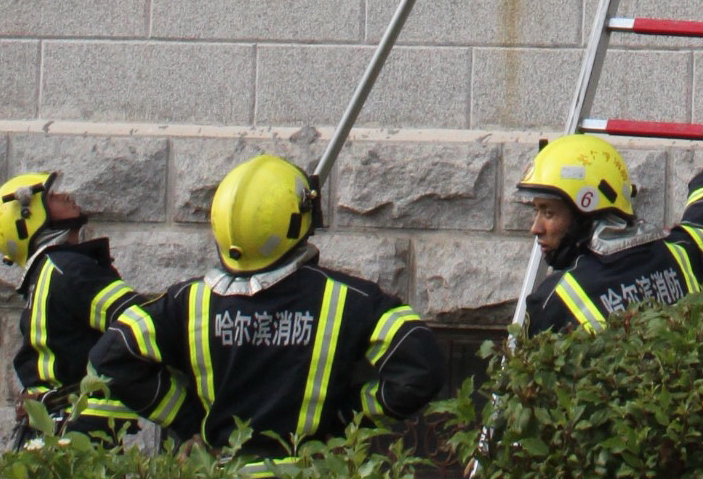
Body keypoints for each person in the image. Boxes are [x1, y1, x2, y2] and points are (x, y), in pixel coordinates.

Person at [85, 153, 443, 458]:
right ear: (297, 222)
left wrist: (190, 421)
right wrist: (344, 418)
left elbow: (110, 357)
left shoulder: (188, 302)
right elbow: (421, 367)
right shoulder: (347, 299)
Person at [520, 132, 703, 335]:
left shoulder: (554, 302)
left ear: (586, 211)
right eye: (536, 211)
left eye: (548, 213)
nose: (535, 228)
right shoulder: (679, 254)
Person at [0, 169, 148, 441]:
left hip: (56, 429)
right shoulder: (68, 270)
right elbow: (142, 320)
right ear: (28, 218)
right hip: (78, 434)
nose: (66, 196)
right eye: (51, 196)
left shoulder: (49, 270)